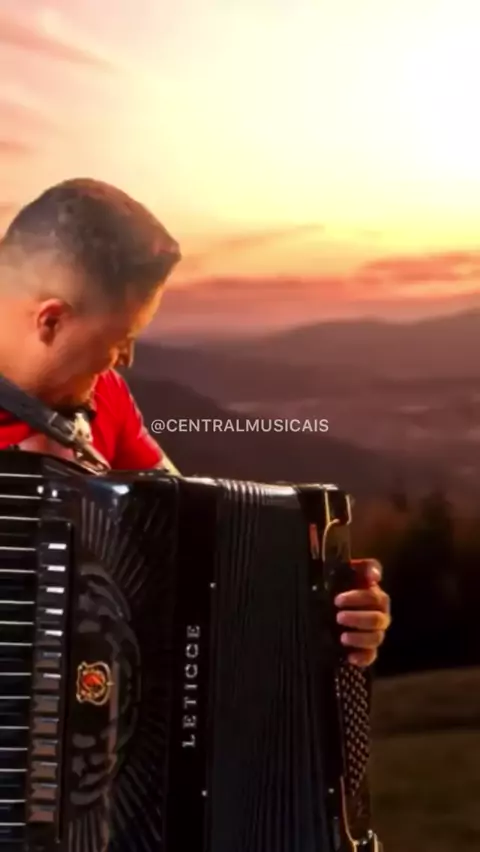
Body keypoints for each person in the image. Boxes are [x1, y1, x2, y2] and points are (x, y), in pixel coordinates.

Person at [0, 178, 391, 667]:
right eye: (119, 339)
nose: (125, 360)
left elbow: (191, 544)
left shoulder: (105, 397)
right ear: (51, 321)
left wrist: (328, 609)